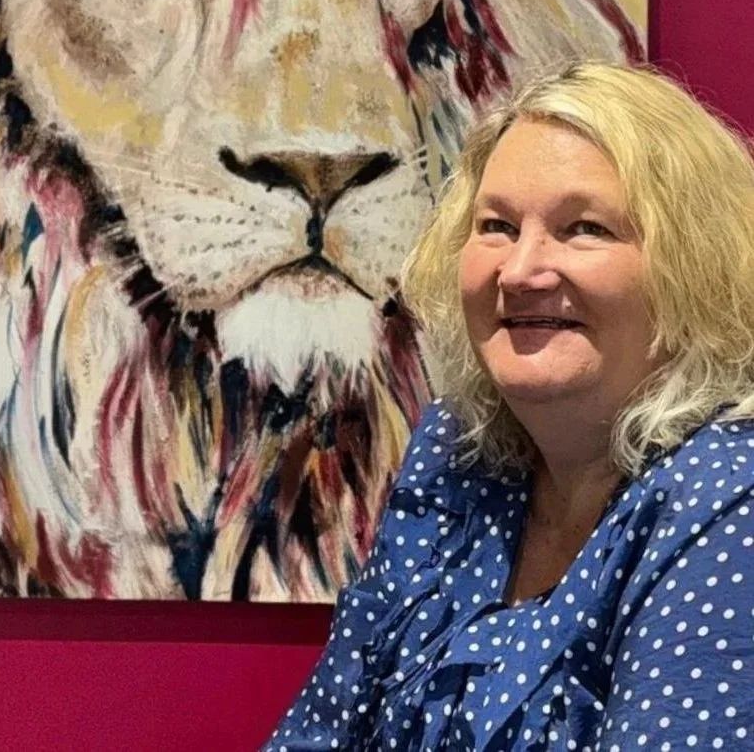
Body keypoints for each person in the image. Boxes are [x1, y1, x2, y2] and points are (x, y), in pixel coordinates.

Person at [264, 61, 754, 751]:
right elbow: (321, 728)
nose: (521, 269)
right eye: (494, 225)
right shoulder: (455, 450)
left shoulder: (729, 498)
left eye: (583, 228)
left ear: (693, 266)